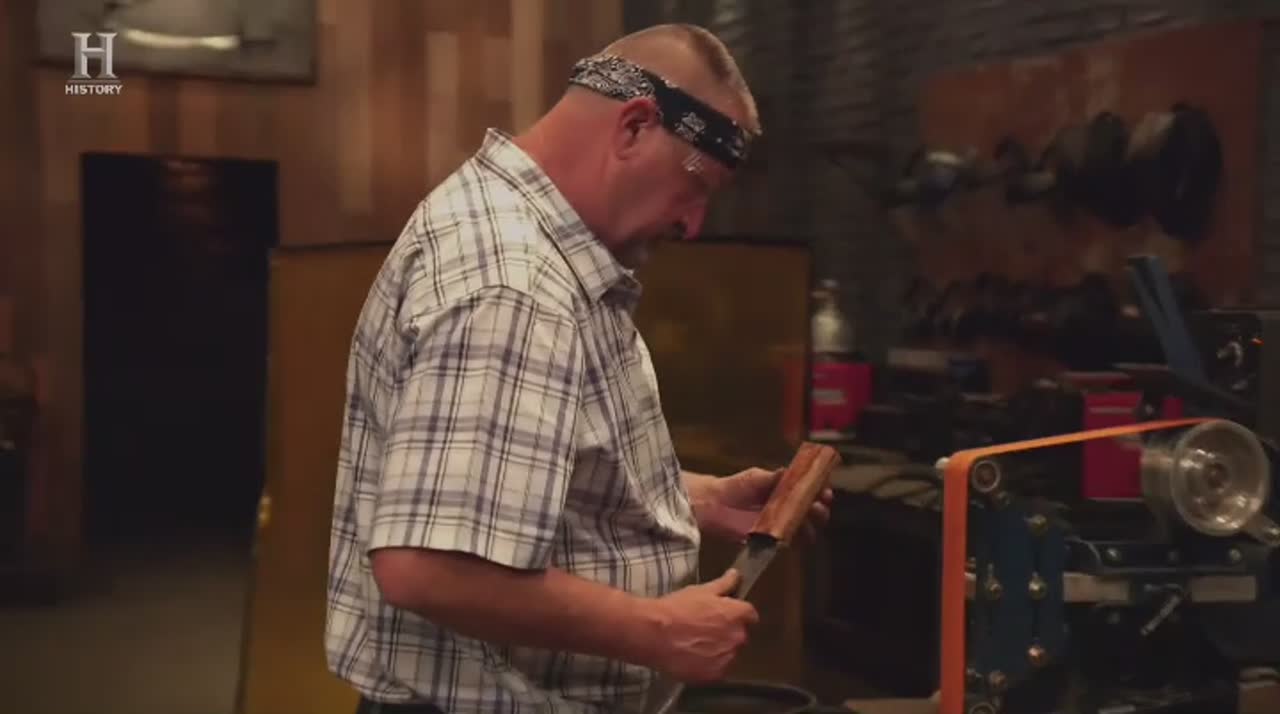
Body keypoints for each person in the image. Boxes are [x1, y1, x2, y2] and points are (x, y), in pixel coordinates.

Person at [325, 23, 833, 714]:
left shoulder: (520, 239)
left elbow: (499, 485)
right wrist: (657, 630)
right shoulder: (515, 283)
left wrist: (696, 500)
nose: (693, 224)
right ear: (634, 127)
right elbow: (428, 567)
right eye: (695, 186)